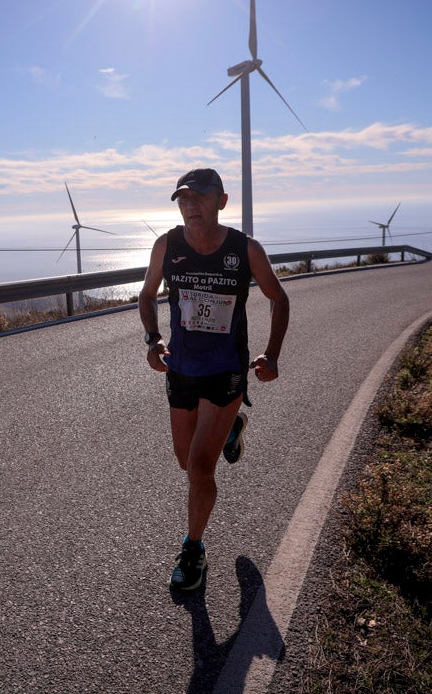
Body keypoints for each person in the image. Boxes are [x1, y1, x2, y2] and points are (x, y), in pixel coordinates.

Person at [137, 168, 290, 591]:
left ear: (222, 202)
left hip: (225, 371)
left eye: (199, 197)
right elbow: (147, 294)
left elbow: (279, 298)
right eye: (183, 198)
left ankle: (193, 549)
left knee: (202, 467)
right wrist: (153, 340)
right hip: (181, 368)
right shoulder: (166, 245)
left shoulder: (245, 249)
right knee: (187, 463)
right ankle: (233, 428)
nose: (190, 205)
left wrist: (272, 355)